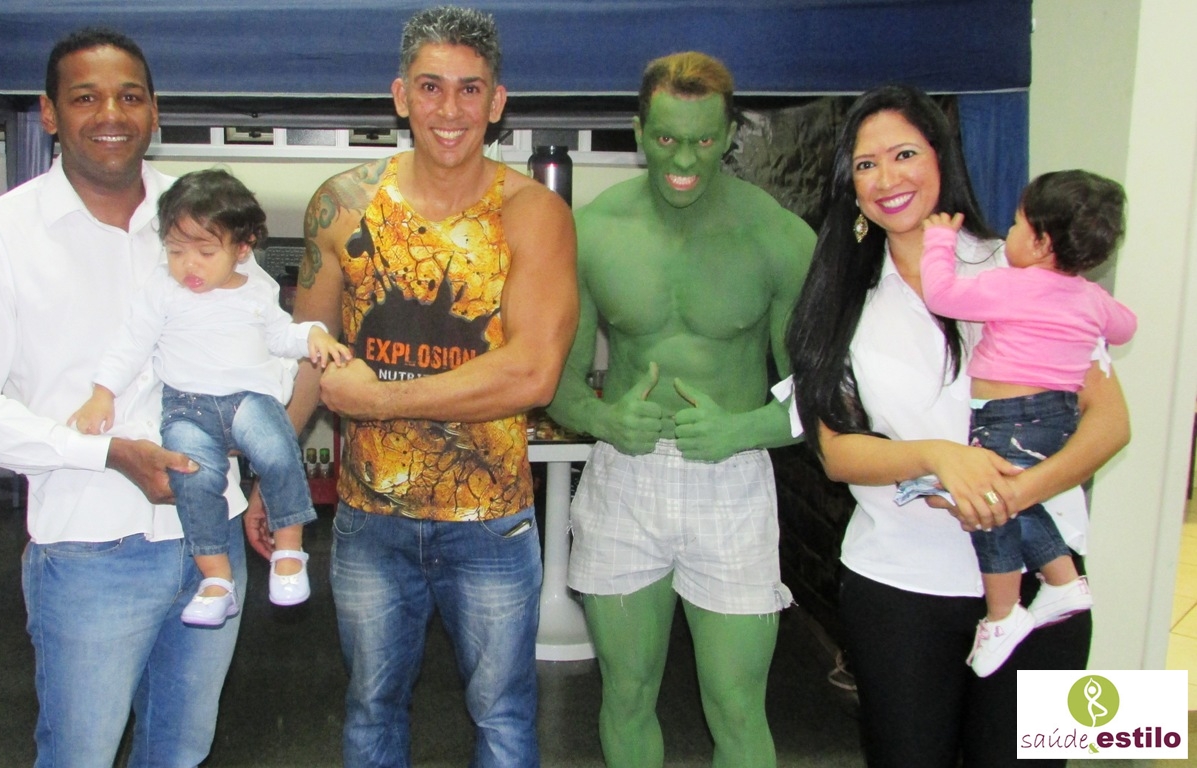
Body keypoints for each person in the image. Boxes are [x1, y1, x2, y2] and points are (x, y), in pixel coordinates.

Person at [244, 6, 577, 765]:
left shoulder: (532, 214)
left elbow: (533, 371)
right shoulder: (343, 204)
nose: (449, 109)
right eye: (431, 87)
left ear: (497, 102)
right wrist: (276, 473)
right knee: (370, 710)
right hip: (369, 521)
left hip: (490, 519)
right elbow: (307, 352)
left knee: (503, 719)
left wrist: (382, 399)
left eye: (469, 89)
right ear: (400, 95)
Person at [0, 28, 247, 766]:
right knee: (79, 757)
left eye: (130, 96)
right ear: (49, 113)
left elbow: (257, 347)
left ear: (154, 111)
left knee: (181, 752)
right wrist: (106, 454)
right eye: (85, 97)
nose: (111, 115)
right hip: (89, 550)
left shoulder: (206, 215)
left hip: (213, 536)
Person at [785, 84, 1130, 767]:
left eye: (905, 154)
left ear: (941, 158)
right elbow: (837, 452)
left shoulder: (1021, 265)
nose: (887, 178)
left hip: (1044, 584)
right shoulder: (841, 299)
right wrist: (942, 456)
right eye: (865, 164)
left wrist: (1014, 494)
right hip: (901, 588)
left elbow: (1110, 421)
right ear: (849, 185)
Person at [544, 52, 815, 768]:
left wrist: (743, 428)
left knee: (737, 708)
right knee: (626, 695)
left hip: (732, 478)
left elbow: (818, 399)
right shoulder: (593, 231)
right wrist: (602, 419)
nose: (684, 160)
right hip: (624, 477)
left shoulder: (779, 238)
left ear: (728, 135)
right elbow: (557, 386)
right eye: (666, 139)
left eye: (702, 140)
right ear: (638, 132)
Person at [69, 169, 352, 626]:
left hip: (249, 401)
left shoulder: (256, 291)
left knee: (278, 454)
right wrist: (102, 395)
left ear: (242, 249)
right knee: (193, 481)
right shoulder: (162, 291)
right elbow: (131, 344)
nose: (189, 266)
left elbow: (282, 337)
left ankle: (289, 552)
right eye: (175, 251)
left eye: (205, 252)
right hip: (187, 409)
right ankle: (216, 579)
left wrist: (313, 336)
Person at [916, 171, 1135, 677]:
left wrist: (940, 240)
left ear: (1040, 243)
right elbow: (1126, 326)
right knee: (1020, 502)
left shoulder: (1010, 285)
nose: (1008, 233)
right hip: (1056, 419)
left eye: (1016, 224)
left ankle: (1002, 614)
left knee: (993, 509)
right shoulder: (1089, 297)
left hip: (1006, 418)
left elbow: (942, 295)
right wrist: (1091, 319)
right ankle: (1063, 580)